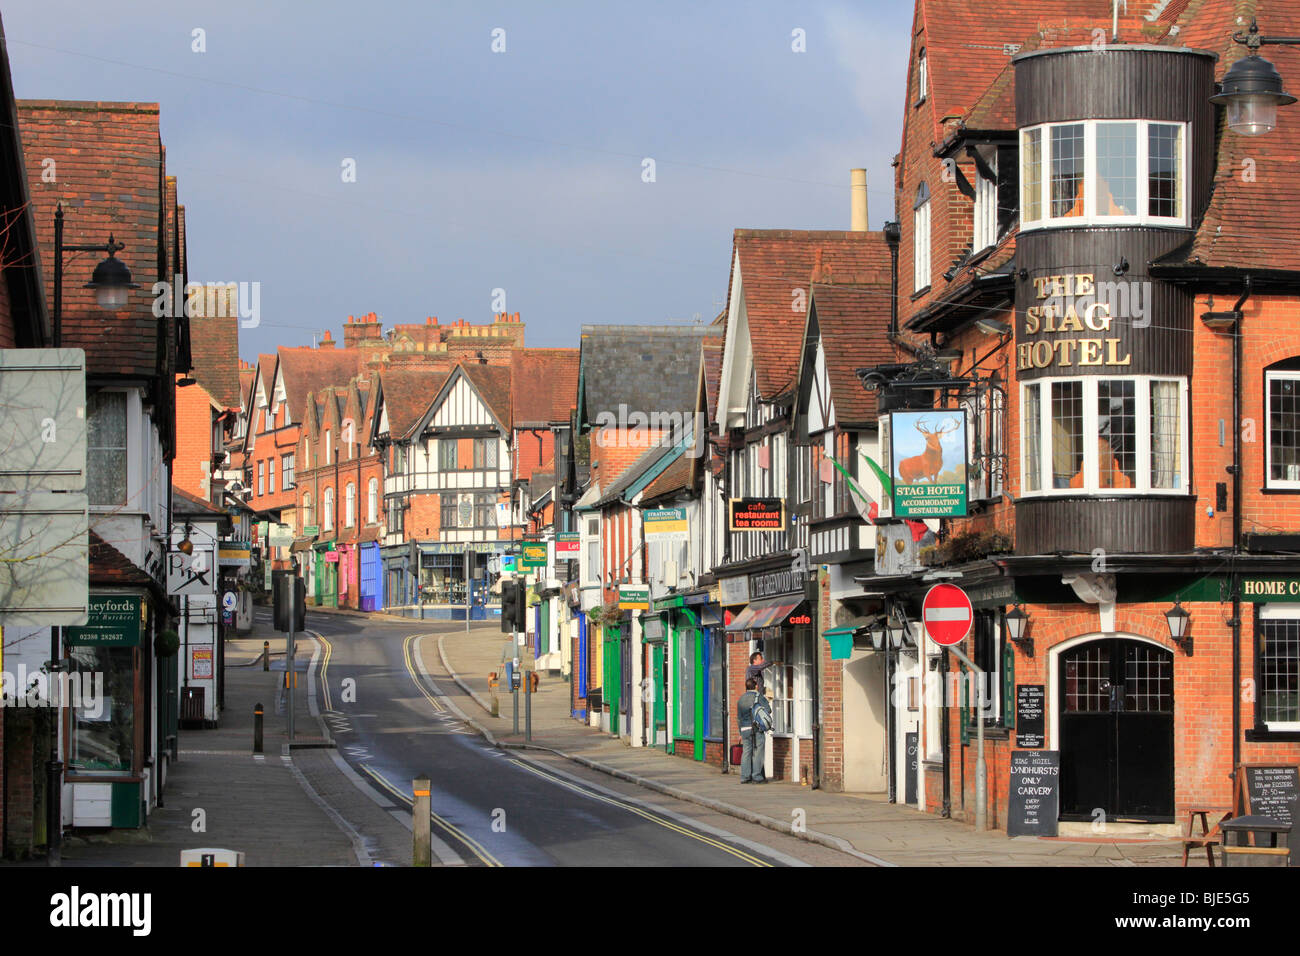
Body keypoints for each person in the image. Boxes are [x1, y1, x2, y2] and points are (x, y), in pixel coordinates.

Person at [737, 676, 772, 784]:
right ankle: (757, 776)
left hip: (744, 728)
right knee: (758, 751)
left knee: (746, 752)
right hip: (756, 728)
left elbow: (739, 717)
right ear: (756, 686)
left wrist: (740, 732)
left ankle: (744, 777)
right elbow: (768, 710)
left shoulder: (741, 698)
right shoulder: (758, 696)